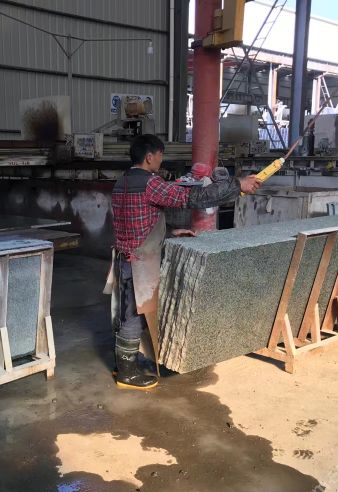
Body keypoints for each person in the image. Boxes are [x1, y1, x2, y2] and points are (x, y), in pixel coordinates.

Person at [105, 134, 260, 390]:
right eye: (160, 156)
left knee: (125, 312)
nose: (160, 161)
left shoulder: (122, 182)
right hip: (140, 263)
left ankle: (123, 363)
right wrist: (237, 185)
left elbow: (135, 222)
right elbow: (192, 198)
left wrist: (170, 232)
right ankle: (127, 373)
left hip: (125, 258)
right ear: (149, 157)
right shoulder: (150, 183)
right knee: (136, 314)